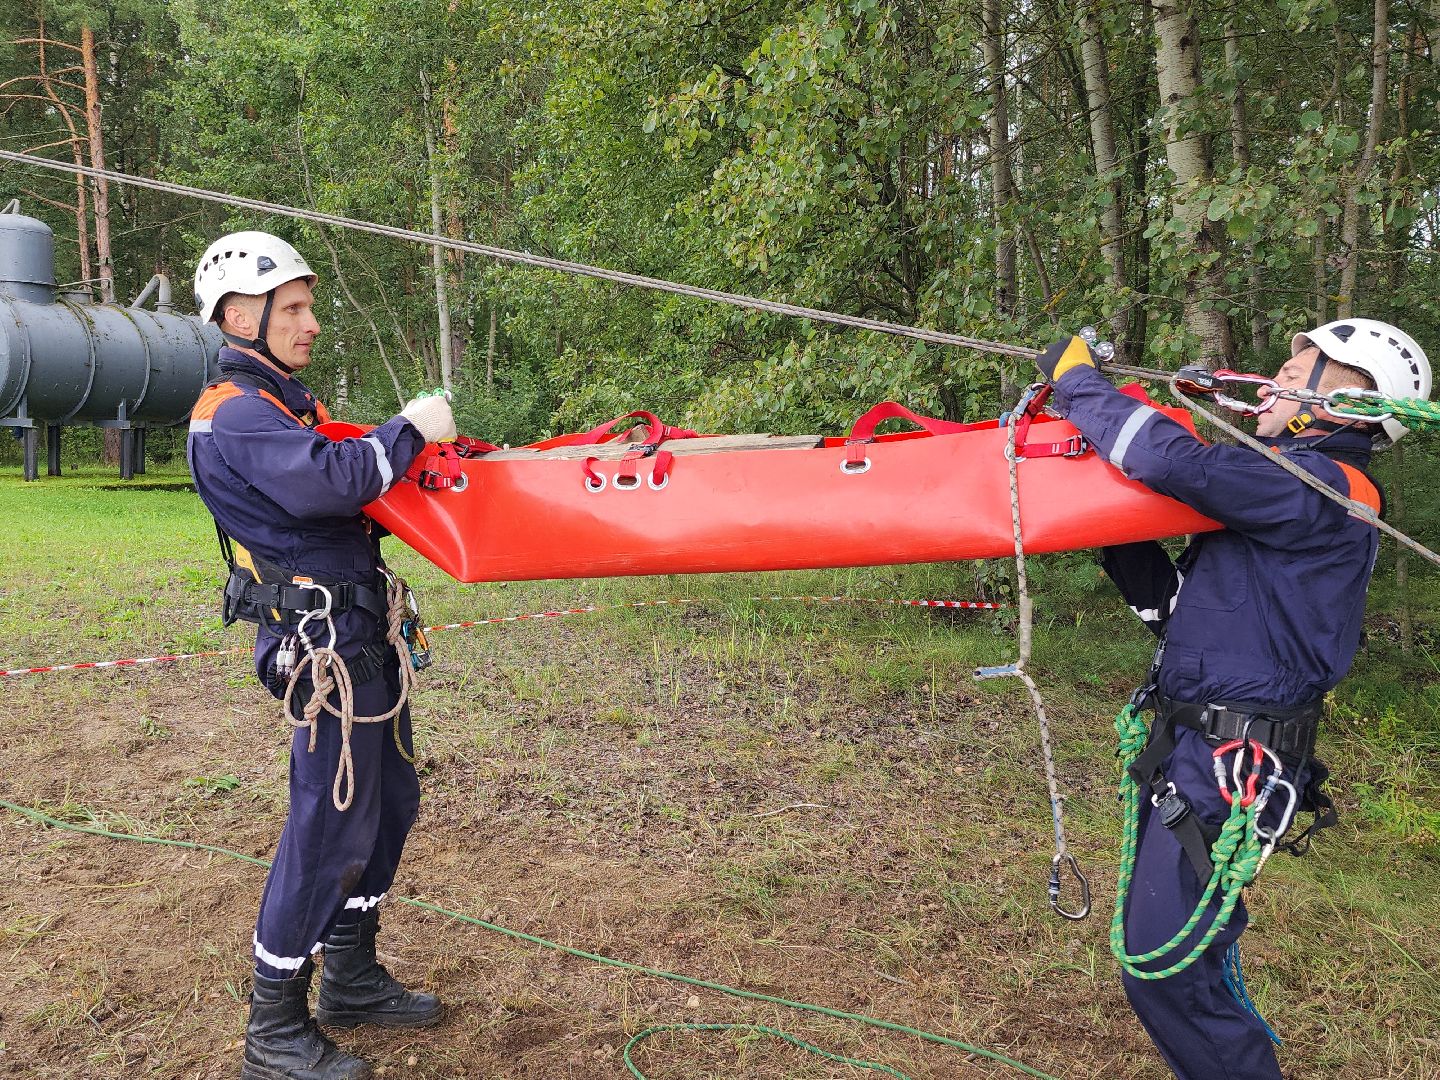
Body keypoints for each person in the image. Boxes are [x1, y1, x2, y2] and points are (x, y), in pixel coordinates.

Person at [1035, 319, 1431, 1079]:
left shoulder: (1326, 488)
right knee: (1173, 958)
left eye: (1297, 368)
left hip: (1232, 761)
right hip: (1196, 747)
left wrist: (1080, 386)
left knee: (1166, 965)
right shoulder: (1281, 497)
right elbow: (1186, 612)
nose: (1276, 377)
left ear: (1349, 398)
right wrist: (1107, 528)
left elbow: (1170, 459)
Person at [187, 231, 458, 1080]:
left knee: (387, 806)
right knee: (330, 824)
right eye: (295, 308)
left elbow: (344, 493)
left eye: (310, 306)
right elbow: (335, 480)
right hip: (321, 651)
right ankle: (274, 1029)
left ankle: (351, 976)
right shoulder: (234, 412)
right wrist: (409, 428)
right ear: (242, 317)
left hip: (359, 636)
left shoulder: (281, 405)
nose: (311, 323)